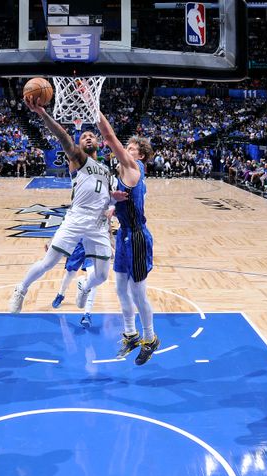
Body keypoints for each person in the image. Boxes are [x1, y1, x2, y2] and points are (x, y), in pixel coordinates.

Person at [9, 96, 122, 314]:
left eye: (92, 135)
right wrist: (42, 113)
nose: (88, 137)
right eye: (84, 136)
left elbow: (110, 200)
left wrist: (114, 200)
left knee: (102, 275)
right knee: (49, 262)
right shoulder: (79, 159)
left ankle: (84, 285)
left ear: (98, 143)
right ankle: (20, 289)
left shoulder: (108, 171)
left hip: (98, 224)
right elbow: (62, 136)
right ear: (78, 145)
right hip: (77, 218)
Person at [96, 112, 160, 365]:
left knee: (137, 293)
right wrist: (112, 203)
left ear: (140, 156)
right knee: (120, 287)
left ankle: (150, 337)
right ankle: (131, 335)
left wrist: (94, 106)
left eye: (131, 148)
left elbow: (110, 137)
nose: (126, 149)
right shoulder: (122, 172)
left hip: (136, 237)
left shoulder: (134, 167)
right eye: (128, 147)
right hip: (123, 233)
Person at [50, 241, 99, 328]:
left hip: (93, 244)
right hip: (78, 244)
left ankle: (87, 314)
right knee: (70, 274)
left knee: (93, 278)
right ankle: (61, 294)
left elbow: (108, 229)